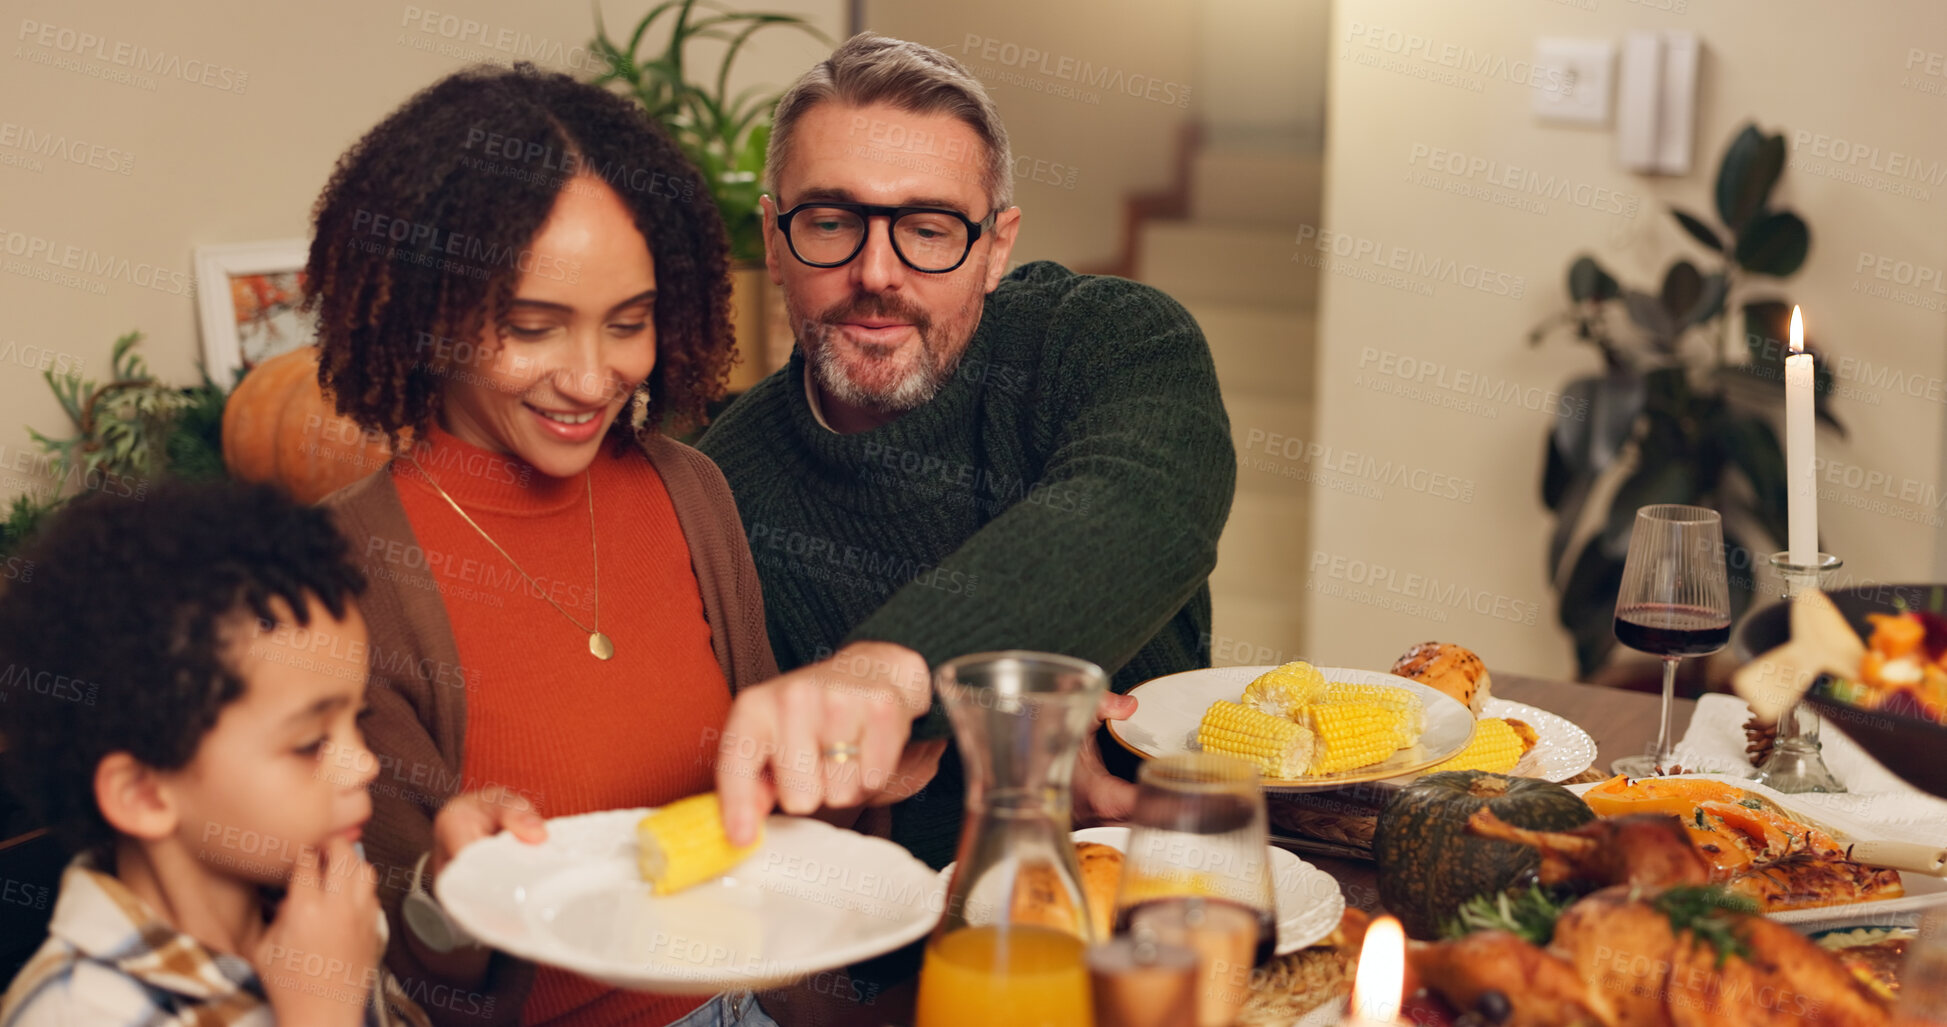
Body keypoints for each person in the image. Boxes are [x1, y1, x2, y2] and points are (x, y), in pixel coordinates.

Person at [310, 64, 935, 1027]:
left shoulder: (691, 492)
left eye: (629, 323)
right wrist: (446, 881)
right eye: (531, 327)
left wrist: (839, 779)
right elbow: (414, 972)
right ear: (431, 309)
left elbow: (775, 843)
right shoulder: (347, 569)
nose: (592, 377)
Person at [699, 33, 1236, 871]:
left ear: (995, 247)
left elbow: (1144, 506)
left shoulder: (1107, 340)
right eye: (832, 221)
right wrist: (990, 745)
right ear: (773, 239)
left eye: (929, 226)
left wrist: (893, 675)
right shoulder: (720, 488)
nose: (877, 270)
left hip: (1177, 880)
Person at [0, 480, 426, 1027]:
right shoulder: (71, 1013)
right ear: (145, 794)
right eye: (311, 743)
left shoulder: (322, 898)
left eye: (357, 719)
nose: (365, 763)